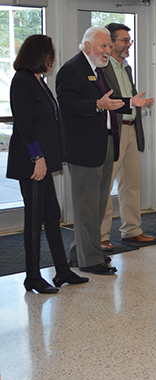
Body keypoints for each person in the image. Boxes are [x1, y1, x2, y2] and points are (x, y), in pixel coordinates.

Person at [56, 26, 153, 275]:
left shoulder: (100, 70)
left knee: (98, 204)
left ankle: (81, 253)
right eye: (104, 46)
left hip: (106, 143)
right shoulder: (71, 69)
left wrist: (132, 102)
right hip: (84, 148)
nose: (108, 50)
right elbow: (67, 106)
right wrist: (97, 104)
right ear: (87, 46)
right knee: (87, 206)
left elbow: (112, 100)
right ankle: (90, 260)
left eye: (110, 46)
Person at [7, 34, 89, 293]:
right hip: (30, 162)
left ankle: (62, 271)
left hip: (41, 160)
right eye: (50, 53)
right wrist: (37, 158)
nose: (53, 59)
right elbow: (24, 126)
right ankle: (31, 276)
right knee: (34, 219)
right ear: (38, 54)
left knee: (52, 215)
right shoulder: (22, 81)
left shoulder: (38, 80)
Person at [99, 23, 156, 251]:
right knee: (106, 184)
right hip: (114, 130)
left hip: (131, 128)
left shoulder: (126, 68)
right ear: (111, 42)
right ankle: (102, 235)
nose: (128, 44)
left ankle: (132, 230)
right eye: (124, 40)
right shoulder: (102, 68)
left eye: (128, 40)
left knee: (132, 183)